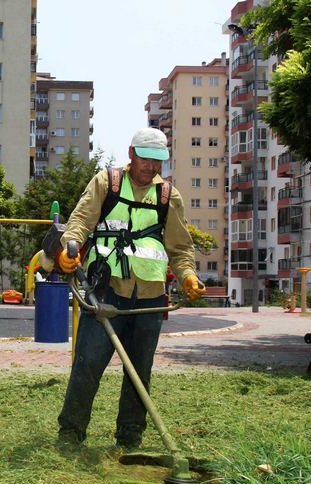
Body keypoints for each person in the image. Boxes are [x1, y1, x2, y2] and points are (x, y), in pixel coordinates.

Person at [55, 127, 205, 450]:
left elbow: (180, 249)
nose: (151, 168)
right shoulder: (106, 183)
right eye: (146, 160)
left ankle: (129, 438)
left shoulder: (168, 197)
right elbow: (80, 222)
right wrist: (70, 247)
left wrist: (188, 275)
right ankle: (70, 433)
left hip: (150, 298)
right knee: (88, 362)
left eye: (158, 162)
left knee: (140, 372)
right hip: (105, 291)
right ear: (131, 154)